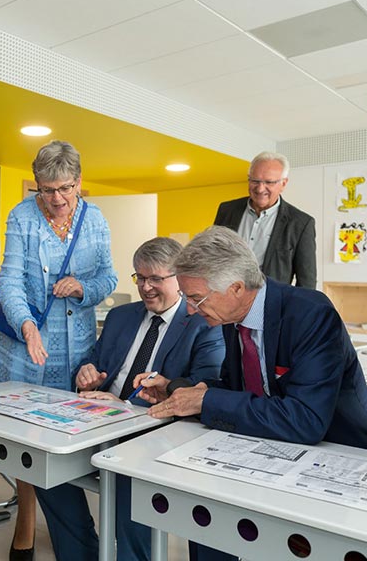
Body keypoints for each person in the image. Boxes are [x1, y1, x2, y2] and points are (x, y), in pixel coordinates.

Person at [138, 226, 367, 561]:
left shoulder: (309, 314)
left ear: (235, 288)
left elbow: (305, 420)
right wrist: (177, 389)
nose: (190, 310)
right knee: (205, 519)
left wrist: (206, 400)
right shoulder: (232, 317)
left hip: (344, 459)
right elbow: (239, 391)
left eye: (196, 298)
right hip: (270, 453)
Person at [35, 236, 225, 561]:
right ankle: (81, 555)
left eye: (156, 279)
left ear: (178, 278)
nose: (146, 287)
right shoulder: (121, 316)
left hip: (154, 429)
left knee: (129, 480)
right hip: (96, 418)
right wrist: (86, 374)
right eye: (140, 277)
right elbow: (92, 362)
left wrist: (133, 403)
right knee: (44, 461)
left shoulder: (202, 322)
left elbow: (204, 388)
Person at [0, 140, 117, 560]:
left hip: (77, 349)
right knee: (25, 440)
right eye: (45, 190)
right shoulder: (21, 217)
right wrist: (26, 325)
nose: (56, 199)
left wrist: (84, 288)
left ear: (79, 182)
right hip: (26, 348)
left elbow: (109, 277)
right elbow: (9, 281)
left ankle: (72, 531)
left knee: (68, 440)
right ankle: (25, 521)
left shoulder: (95, 219)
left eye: (64, 189)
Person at [213, 151, 316, 289]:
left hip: (270, 304)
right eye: (255, 181)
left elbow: (307, 283)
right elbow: (212, 255)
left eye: (269, 182)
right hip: (225, 298)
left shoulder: (301, 223)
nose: (260, 188)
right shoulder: (227, 210)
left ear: (283, 184)